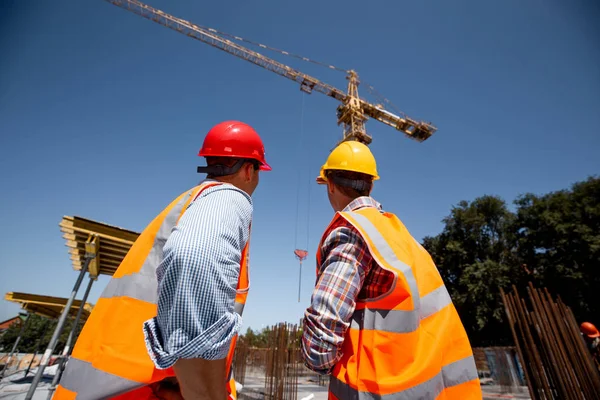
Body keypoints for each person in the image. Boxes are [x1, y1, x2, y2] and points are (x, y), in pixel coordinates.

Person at [54, 121, 270, 400]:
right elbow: (195, 258)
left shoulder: (190, 203)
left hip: (113, 384)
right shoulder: (227, 198)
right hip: (144, 391)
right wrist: (207, 393)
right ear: (248, 169)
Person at [301, 140, 482, 399]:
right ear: (371, 185)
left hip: (377, 391)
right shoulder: (403, 238)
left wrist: (317, 361)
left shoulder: (352, 232)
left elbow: (321, 341)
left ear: (329, 184)